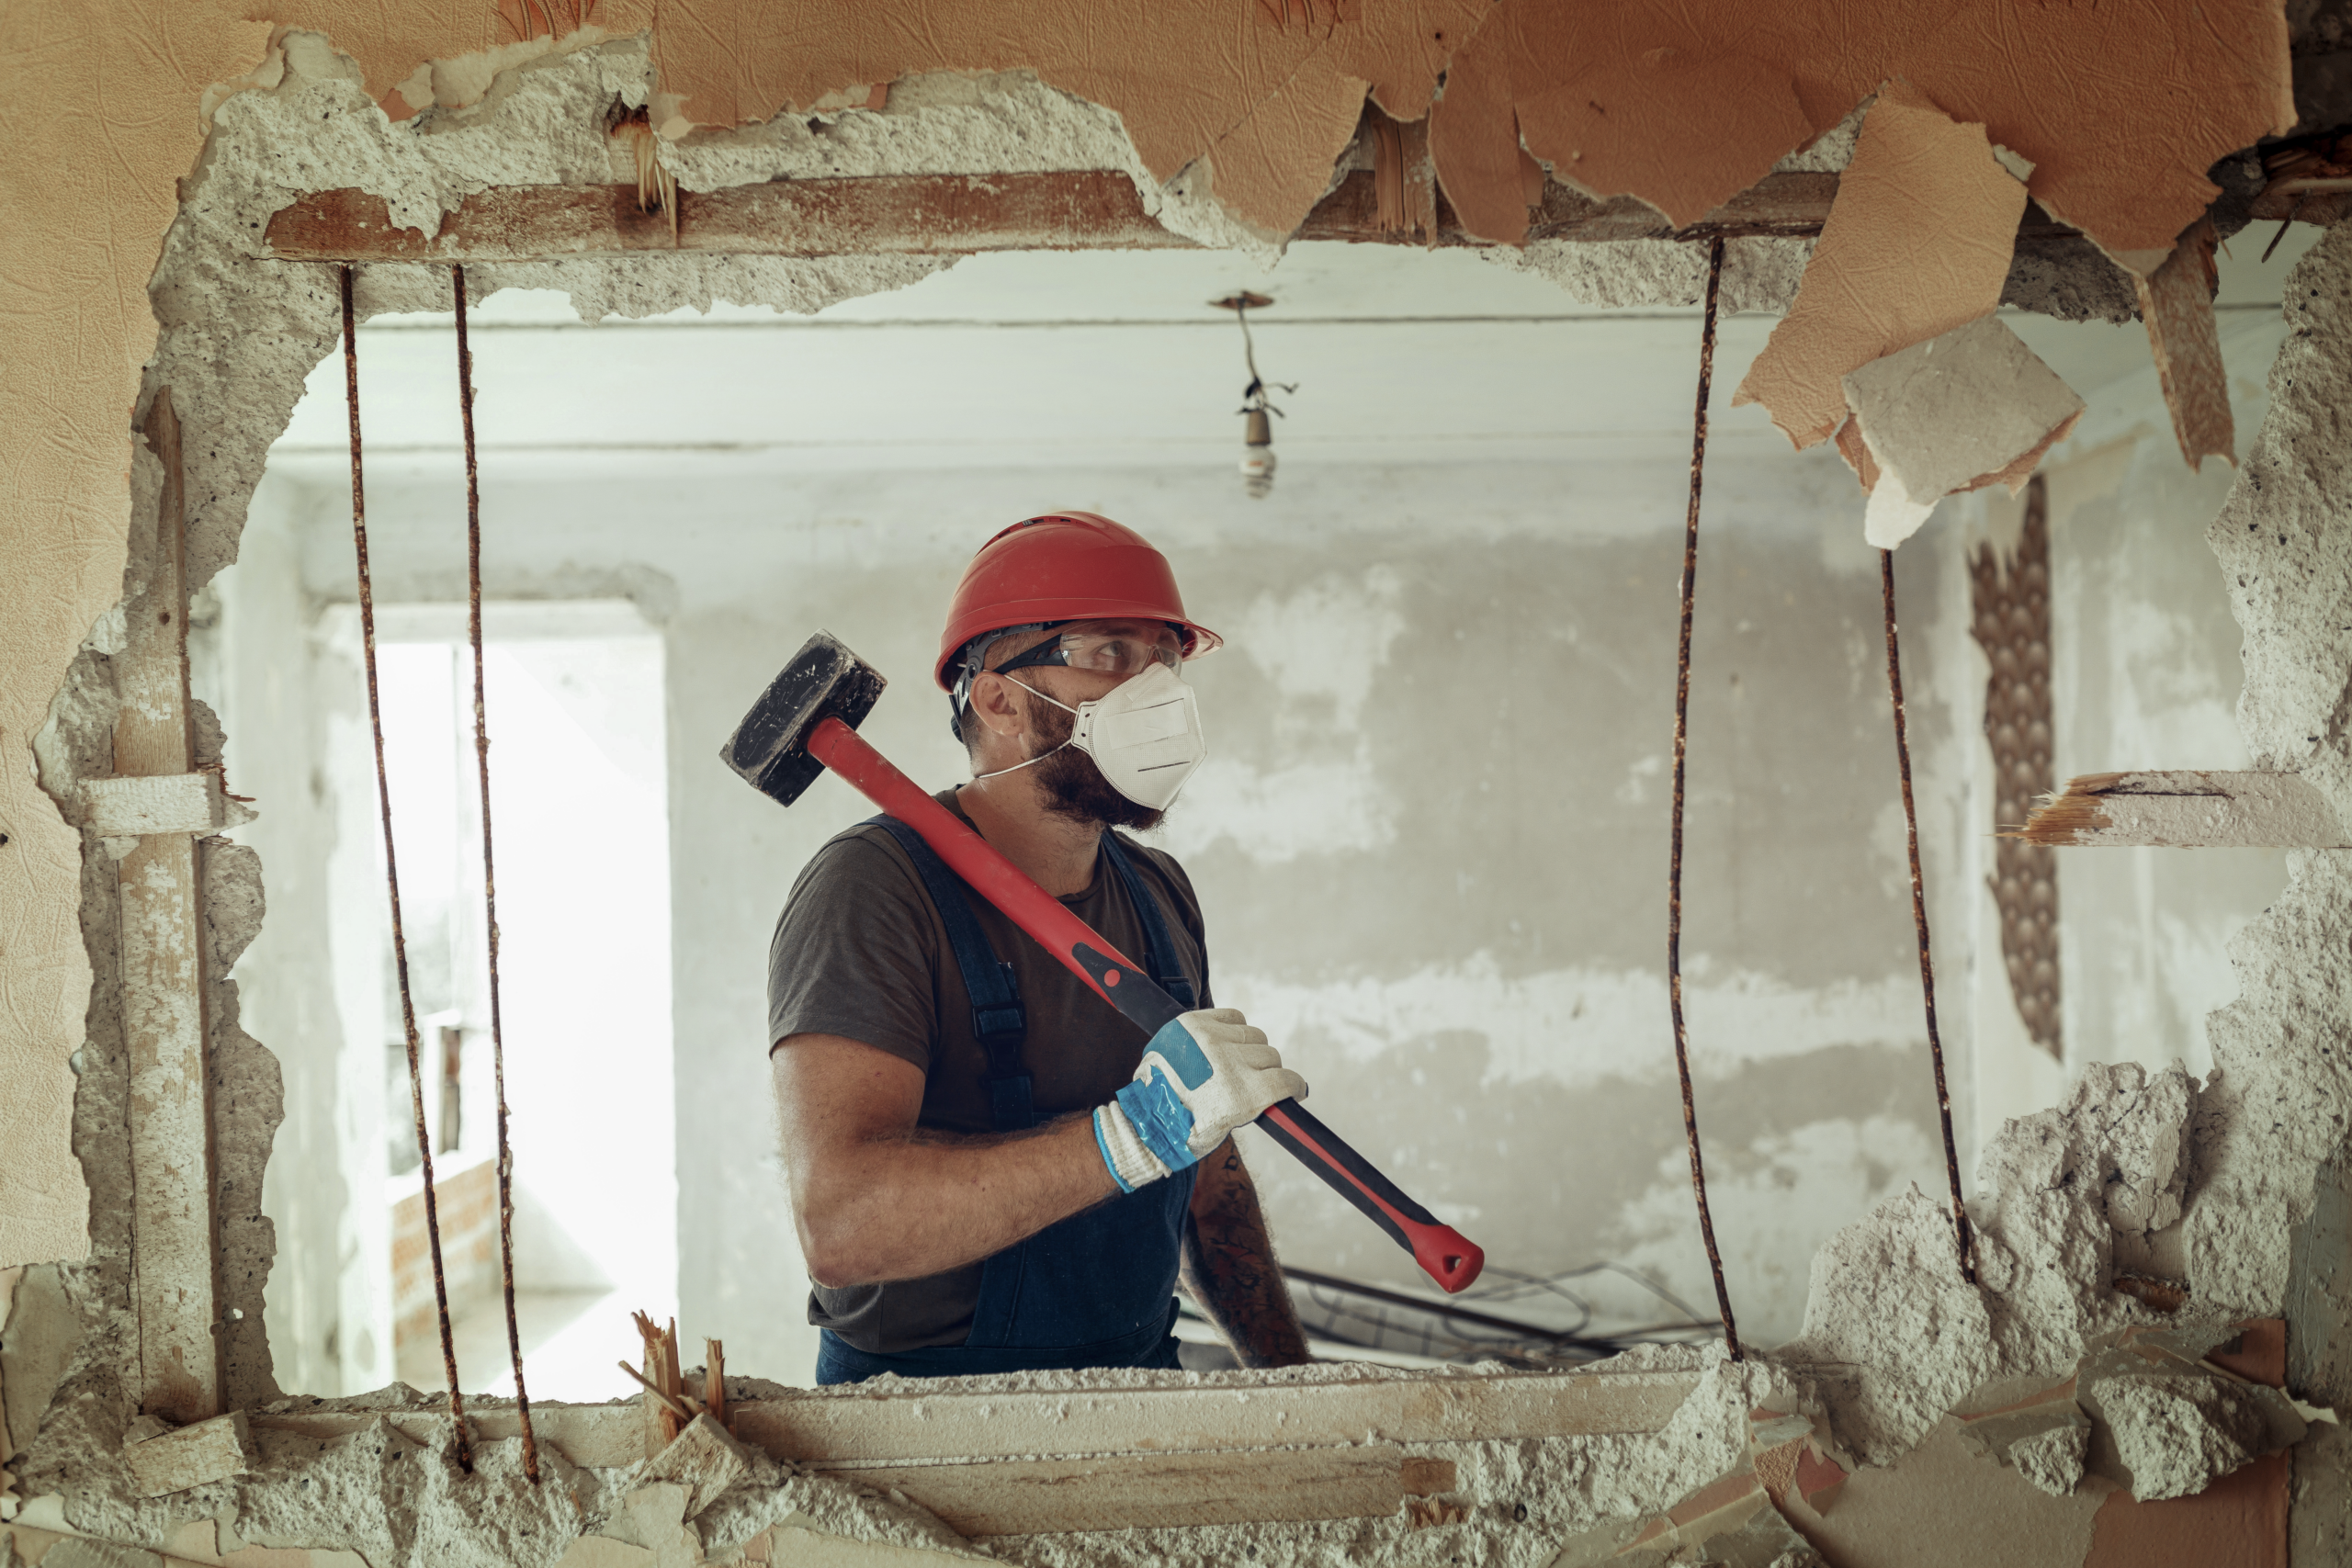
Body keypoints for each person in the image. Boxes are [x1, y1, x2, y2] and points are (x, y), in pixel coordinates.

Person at [767, 512, 1314, 1384]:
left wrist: (1294, 1385)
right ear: (999, 698)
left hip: (1141, 1377)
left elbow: (1209, 1183)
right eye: (1109, 653)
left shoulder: (1158, 891)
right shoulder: (873, 891)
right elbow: (844, 1224)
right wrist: (1126, 1140)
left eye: (1164, 657)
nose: (1157, 690)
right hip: (928, 1417)